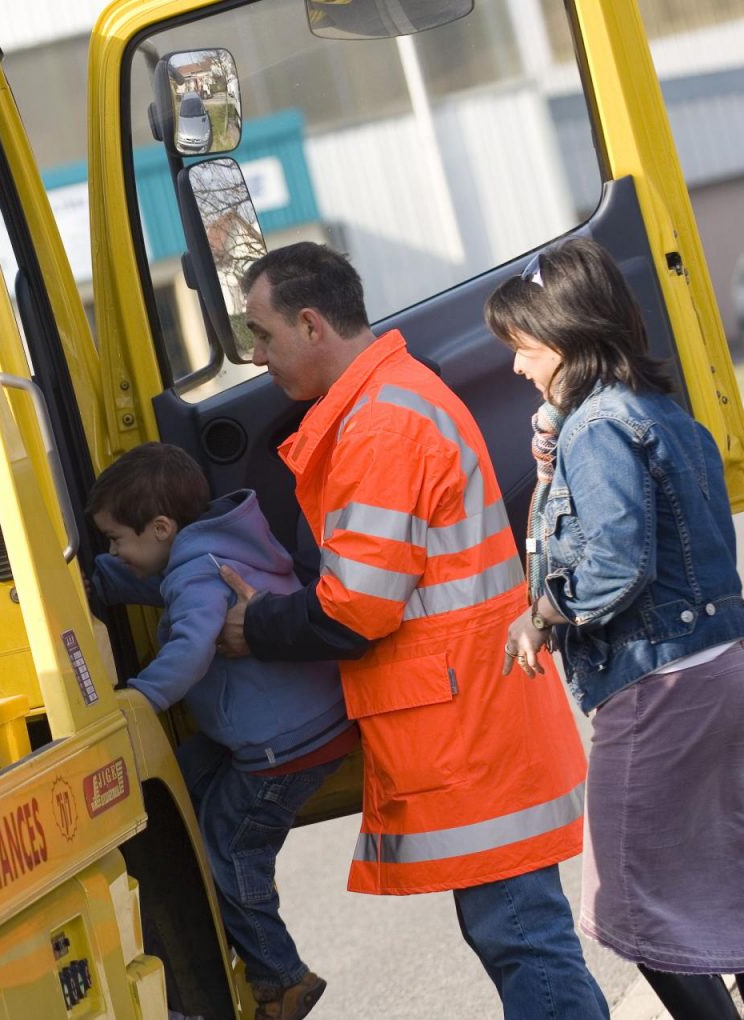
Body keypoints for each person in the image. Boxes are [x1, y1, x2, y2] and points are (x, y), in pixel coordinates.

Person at [213, 242, 608, 1018]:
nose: (256, 356)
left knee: (521, 937)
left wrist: (255, 625)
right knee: (520, 934)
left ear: (311, 323)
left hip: (469, 727)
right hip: (478, 713)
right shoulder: (393, 400)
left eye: (262, 335)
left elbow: (356, 608)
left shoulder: (380, 427)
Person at [488, 237, 744, 1019]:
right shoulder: (663, 413)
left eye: (524, 347)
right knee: (722, 883)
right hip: (717, 668)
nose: (517, 367)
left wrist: (542, 613)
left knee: (630, 904)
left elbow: (613, 566)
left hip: (657, 685)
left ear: (564, 336)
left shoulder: (597, 429)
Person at [87, 442, 355, 1020]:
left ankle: (282, 978)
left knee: (230, 847)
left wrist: (139, 700)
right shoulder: (220, 546)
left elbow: (190, 648)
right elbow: (154, 580)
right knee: (183, 779)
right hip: (298, 718)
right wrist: (97, 581)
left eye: (116, 540)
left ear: (161, 528)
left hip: (282, 744)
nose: (114, 550)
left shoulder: (195, 578)